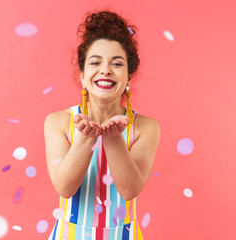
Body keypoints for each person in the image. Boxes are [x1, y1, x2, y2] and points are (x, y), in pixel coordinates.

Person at [44, 10, 160, 240]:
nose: (105, 70)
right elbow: (65, 188)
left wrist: (113, 136)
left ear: (128, 77)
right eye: (95, 62)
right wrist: (86, 137)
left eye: (117, 64)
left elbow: (129, 190)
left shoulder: (146, 127)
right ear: (83, 76)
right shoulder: (57, 121)